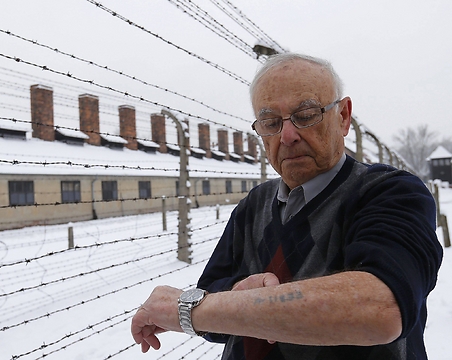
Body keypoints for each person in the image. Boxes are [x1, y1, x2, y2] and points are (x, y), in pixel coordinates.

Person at [130, 53, 443, 360]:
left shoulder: (390, 193)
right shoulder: (252, 206)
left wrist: (190, 309)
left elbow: (381, 308)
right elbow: (213, 291)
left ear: (343, 117)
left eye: (306, 116)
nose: (288, 136)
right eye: (270, 123)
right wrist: (240, 291)